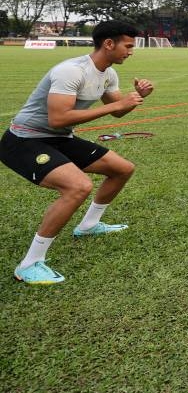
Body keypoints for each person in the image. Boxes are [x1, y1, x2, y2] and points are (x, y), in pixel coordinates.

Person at [0, 20, 155, 285]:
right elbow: (58, 118)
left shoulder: (108, 73)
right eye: (128, 46)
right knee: (78, 187)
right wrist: (116, 106)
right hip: (24, 139)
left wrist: (137, 97)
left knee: (122, 168)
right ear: (109, 44)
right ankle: (29, 264)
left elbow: (116, 109)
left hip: (59, 138)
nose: (131, 51)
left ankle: (88, 226)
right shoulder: (71, 71)